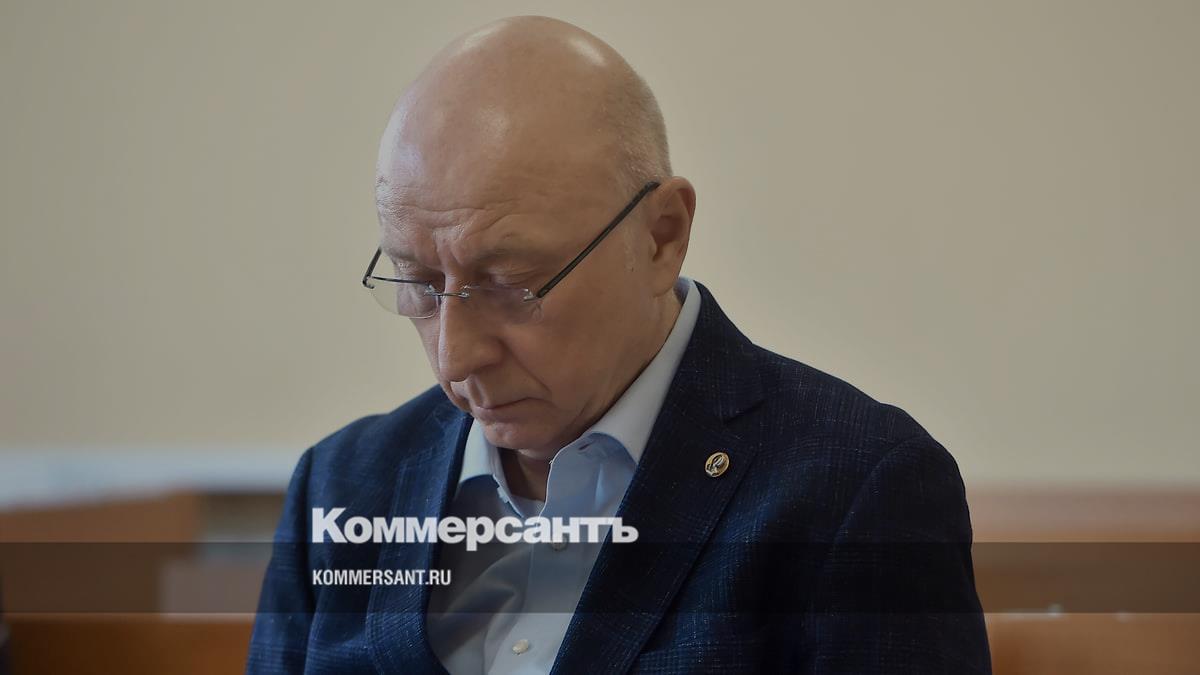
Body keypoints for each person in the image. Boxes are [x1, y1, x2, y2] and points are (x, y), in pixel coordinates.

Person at [247, 15, 991, 674]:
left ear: (662, 235)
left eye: (510, 284)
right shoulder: (342, 487)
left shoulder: (854, 492)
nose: (455, 358)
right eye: (418, 282)